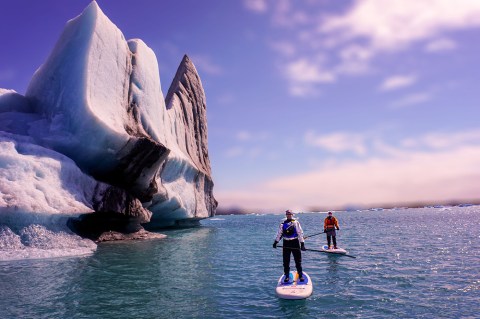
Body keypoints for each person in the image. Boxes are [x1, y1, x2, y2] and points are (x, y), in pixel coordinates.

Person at [273, 210, 306, 283]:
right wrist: (275, 242)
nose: (288, 215)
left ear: (292, 215)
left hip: (295, 242)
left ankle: (300, 275)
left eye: (290, 214)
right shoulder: (282, 224)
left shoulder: (296, 223)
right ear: (286, 215)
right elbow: (279, 234)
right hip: (286, 243)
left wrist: (302, 244)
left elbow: (300, 233)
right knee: (286, 261)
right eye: (287, 214)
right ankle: (287, 276)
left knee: (298, 261)